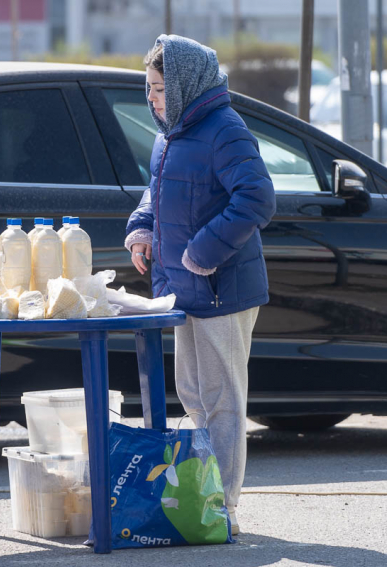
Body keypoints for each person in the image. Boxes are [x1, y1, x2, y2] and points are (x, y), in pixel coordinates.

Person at [124, 35, 276, 536]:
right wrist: (141, 228)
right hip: (182, 289)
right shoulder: (172, 130)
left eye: (161, 89)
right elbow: (158, 190)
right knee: (194, 395)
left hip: (220, 291)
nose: (152, 99)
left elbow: (256, 198)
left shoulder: (223, 129)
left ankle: (223, 509)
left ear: (187, 84)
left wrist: (203, 252)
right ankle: (206, 495)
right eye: (148, 88)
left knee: (222, 402)